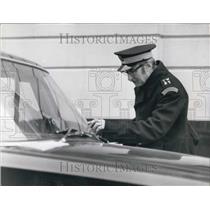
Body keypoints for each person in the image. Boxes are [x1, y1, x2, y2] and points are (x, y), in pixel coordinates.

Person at [88, 44, 199, 154]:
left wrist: (109, 127)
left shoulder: (170, 90)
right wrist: (105, 128)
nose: (129, 78)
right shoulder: (149, 84)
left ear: (148, 66)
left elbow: (153, 129)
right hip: (159, 152)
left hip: (172, 156)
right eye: (126, 72)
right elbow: (141, 121)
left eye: (132, 71)